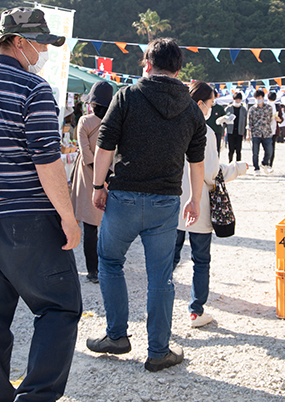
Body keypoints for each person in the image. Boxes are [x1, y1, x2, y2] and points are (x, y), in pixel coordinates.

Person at [0, 7, 82, 402]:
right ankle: (36, 397)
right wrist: (68, 217)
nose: (44, 50)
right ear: (18, 41)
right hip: (27, 217)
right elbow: (46, 159)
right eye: (40, 42)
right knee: (59, 307)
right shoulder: (34, 89)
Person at [87, 38, 206, 372]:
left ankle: (117, 336)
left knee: (110, 262)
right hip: (166, 202)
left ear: (146, 63)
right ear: (179, 69)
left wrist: (98, 186)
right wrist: (194, 199)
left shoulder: (127, 96)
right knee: (161, 277)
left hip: (123, 196)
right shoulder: (192, 108)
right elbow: (196, 163)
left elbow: (105, 146)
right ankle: (158, 351)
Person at [173, 81, 248, 328]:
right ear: (200, 104)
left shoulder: (171, 125)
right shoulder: (206, 132)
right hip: (199, 203)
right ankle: (196, 311)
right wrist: (238, 169)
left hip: (172, 202)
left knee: (168, 259)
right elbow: (210, 173)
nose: (212, 109)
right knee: (200, 259)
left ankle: (160, 306)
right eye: (211, 104)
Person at [70, 81, 114, 284]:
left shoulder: (84, 121)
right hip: (108, 175)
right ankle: (107, 266)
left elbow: (84, 149)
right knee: (108, 224)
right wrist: (107, 174)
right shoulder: (113, 123)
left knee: (90, 225)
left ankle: (92, 270)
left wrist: (96, 169)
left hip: (87, 174)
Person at [247, 89, 275, 174]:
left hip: (266, 132)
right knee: (255, 152)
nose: (258, 99)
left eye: (259, 97)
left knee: (269, 151)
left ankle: (264, 163)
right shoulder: (252, 109)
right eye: (256, 98)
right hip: (256, 133)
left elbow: (271, 119)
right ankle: (256, 168)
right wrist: (248, 134)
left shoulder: (269, 108)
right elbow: (249, 122)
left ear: (263, 98)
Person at [224, 92, 248, 162]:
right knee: (231, 150)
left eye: (239, 100)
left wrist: (245, 133)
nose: (237, 101)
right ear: (233, 99)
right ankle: (230, 162)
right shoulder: (228, 108)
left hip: (239, 132)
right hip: (230, 131)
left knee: (238, 150)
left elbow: (246, 122)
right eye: (236, 99)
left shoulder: (243, 109)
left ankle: (238, 164)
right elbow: (224, 120)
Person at [266, 91, 284, 166]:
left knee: (272, 148)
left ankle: (270, 164)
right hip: (265, 129)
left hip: (274, 130)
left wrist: (278, 119)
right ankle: (265, 162)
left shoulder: (277, 106)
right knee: (266, 147)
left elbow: (281, 119)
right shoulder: (265, 105)